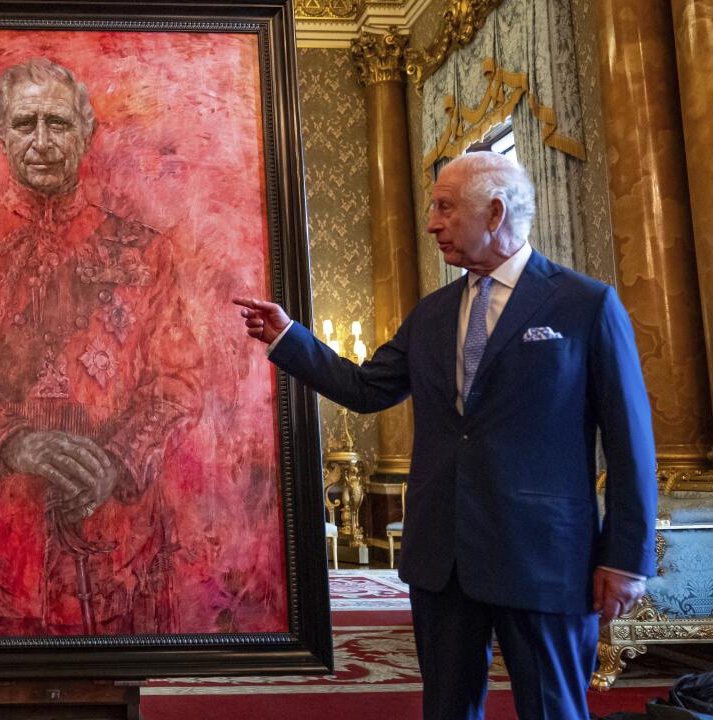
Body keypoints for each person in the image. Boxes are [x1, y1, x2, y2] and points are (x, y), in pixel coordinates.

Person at [234, 151, 656, 720]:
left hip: (545, 558)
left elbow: (631, 443)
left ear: (495, 213)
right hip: (443, 556)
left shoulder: (585, 305)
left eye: (444, 207)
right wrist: (291, 339)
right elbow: (365, 389)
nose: (431, 223)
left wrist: (626, 558)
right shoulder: (432, 313)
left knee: (554, 708)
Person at [0, 58, 202, 636]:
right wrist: (11, 442)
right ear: (1, 132)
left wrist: (119, 460)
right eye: (26, 123)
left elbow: (177, 384)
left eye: (57, 123)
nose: (42, 141)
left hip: (114, 542)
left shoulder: (144, 250)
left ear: (84, 133)